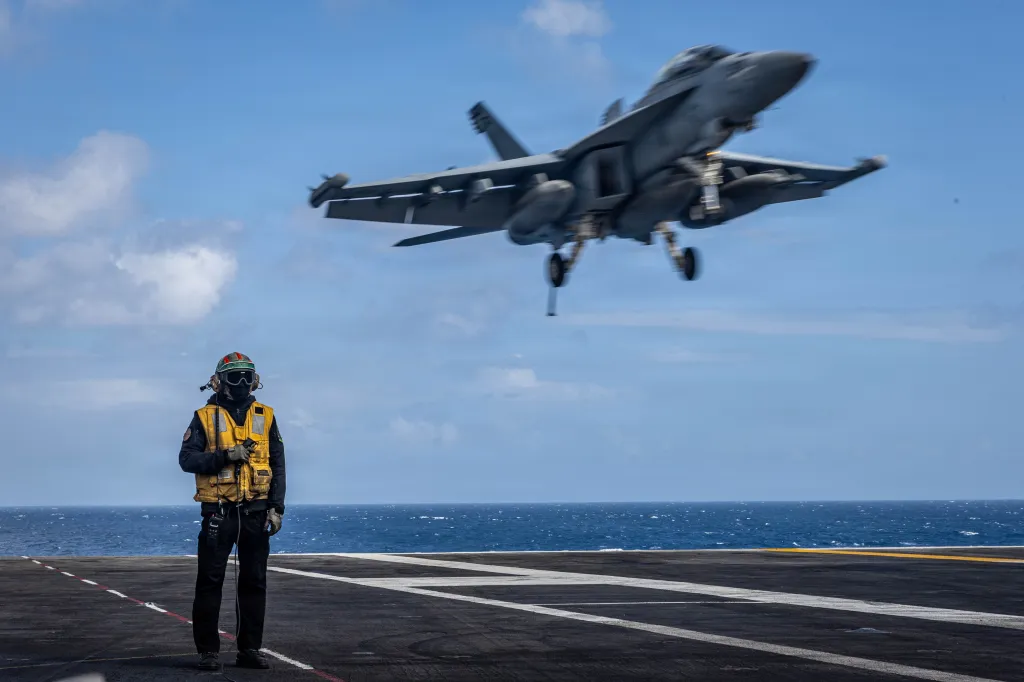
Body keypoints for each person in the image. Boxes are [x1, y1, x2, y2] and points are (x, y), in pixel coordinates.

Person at [178, 352, 286, 671]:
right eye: (233, 376)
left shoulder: (266, 415)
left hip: (256, 513)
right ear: (219, 381)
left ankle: (249, 649)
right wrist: (226, 455)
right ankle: (208, 652)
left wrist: (277, 508)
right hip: (218, 513)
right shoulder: (203, 417)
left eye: (245, 376)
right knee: (209, 582)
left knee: (254, 583)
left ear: (254, 381)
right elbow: (187, 459)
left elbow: (278, 465)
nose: (240, 383)